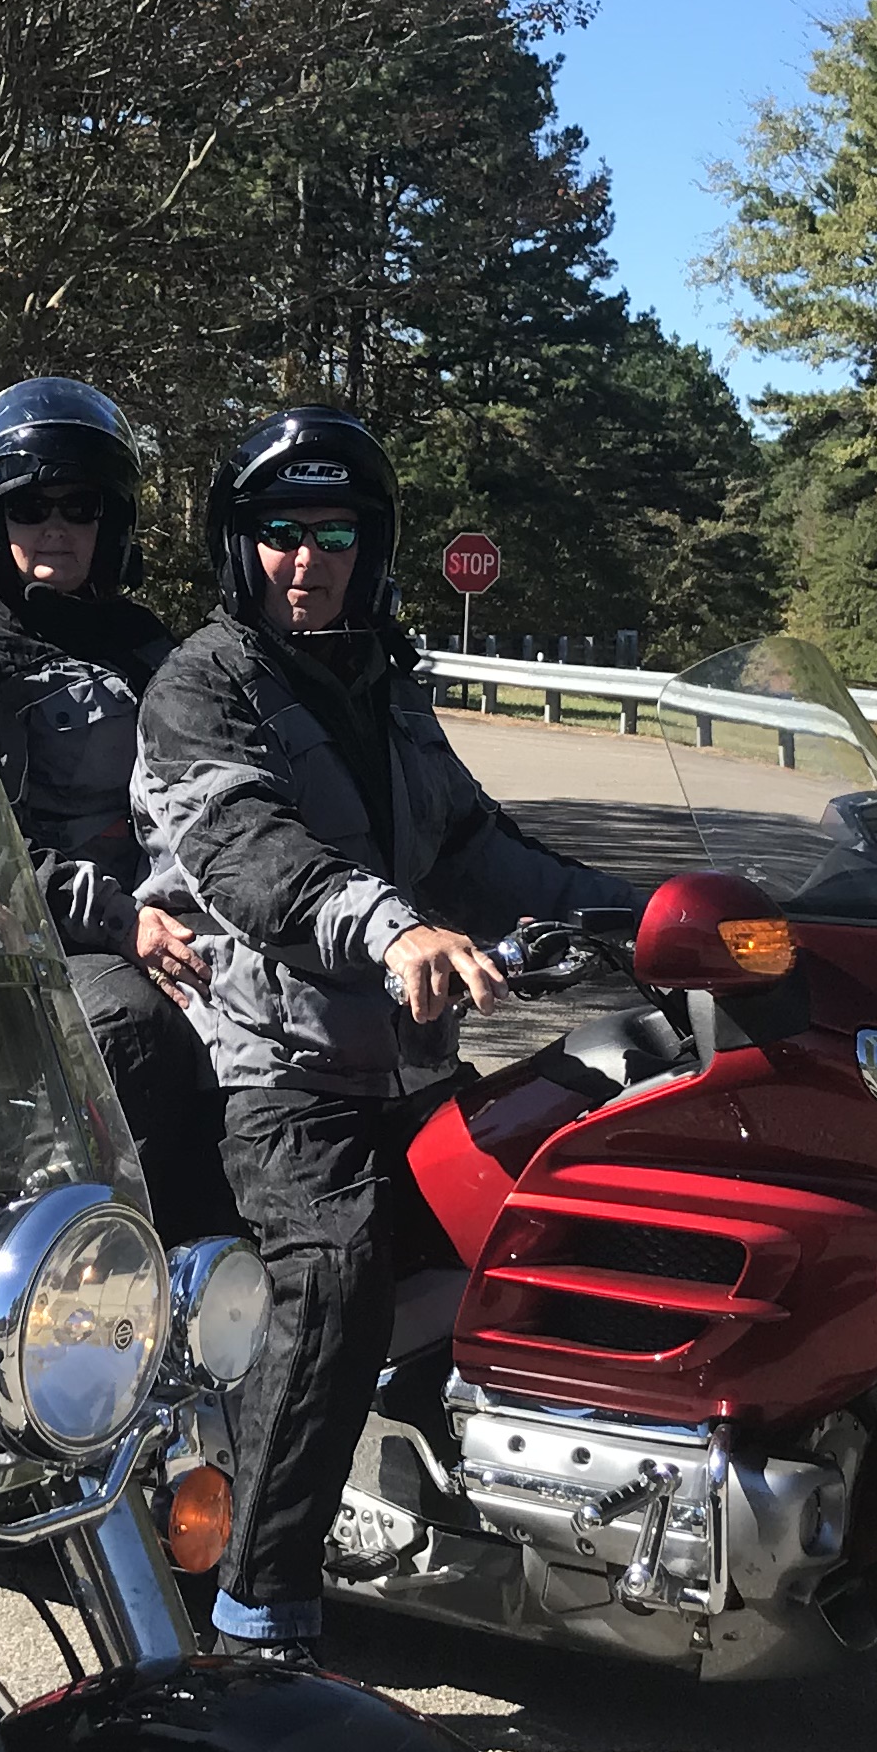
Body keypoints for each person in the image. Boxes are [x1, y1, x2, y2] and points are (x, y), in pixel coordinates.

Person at [135, 406, 638, 1663]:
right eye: (280, 533)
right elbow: (250, 853)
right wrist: (394, 930)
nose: (307, 559)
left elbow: (476, 848)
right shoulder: (203, 685)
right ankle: (255, 1612)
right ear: (240, 545)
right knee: (336, 1267)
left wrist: (646, 916)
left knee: (563, 1187)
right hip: (278, 1068)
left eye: (335, 533)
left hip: (406, 1060)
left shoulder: (384, 688)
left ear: (373, 546)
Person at [0, 376, 236, 1242]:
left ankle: (250, 1261)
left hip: (166, 905)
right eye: (29, 508)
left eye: (80, 506)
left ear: (112, 520)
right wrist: (122, 922)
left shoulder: (141, 640)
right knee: (131, 1028)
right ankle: (107, 1255)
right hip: (29, 935)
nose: (55, 526)